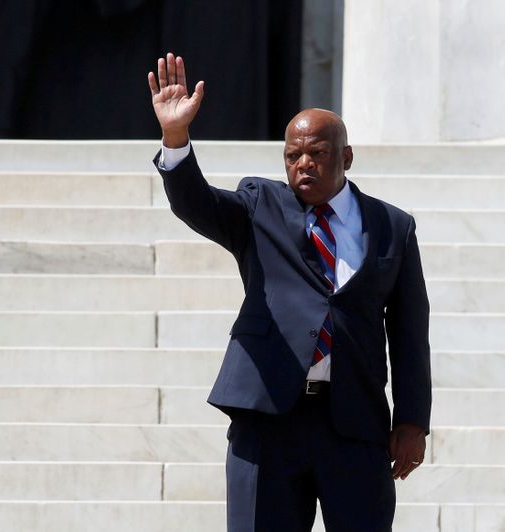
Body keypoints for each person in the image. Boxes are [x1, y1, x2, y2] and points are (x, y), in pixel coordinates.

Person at [148, 53, 431, 532]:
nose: (303, 164)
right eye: (292, 155)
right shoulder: (262, 206)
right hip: (267, 419)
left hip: (354, 424)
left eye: (317, 153)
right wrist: (176, 138)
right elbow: (196, 203)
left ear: (345, 157)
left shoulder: (392, 227)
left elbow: (408, 332)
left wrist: (412, 421)